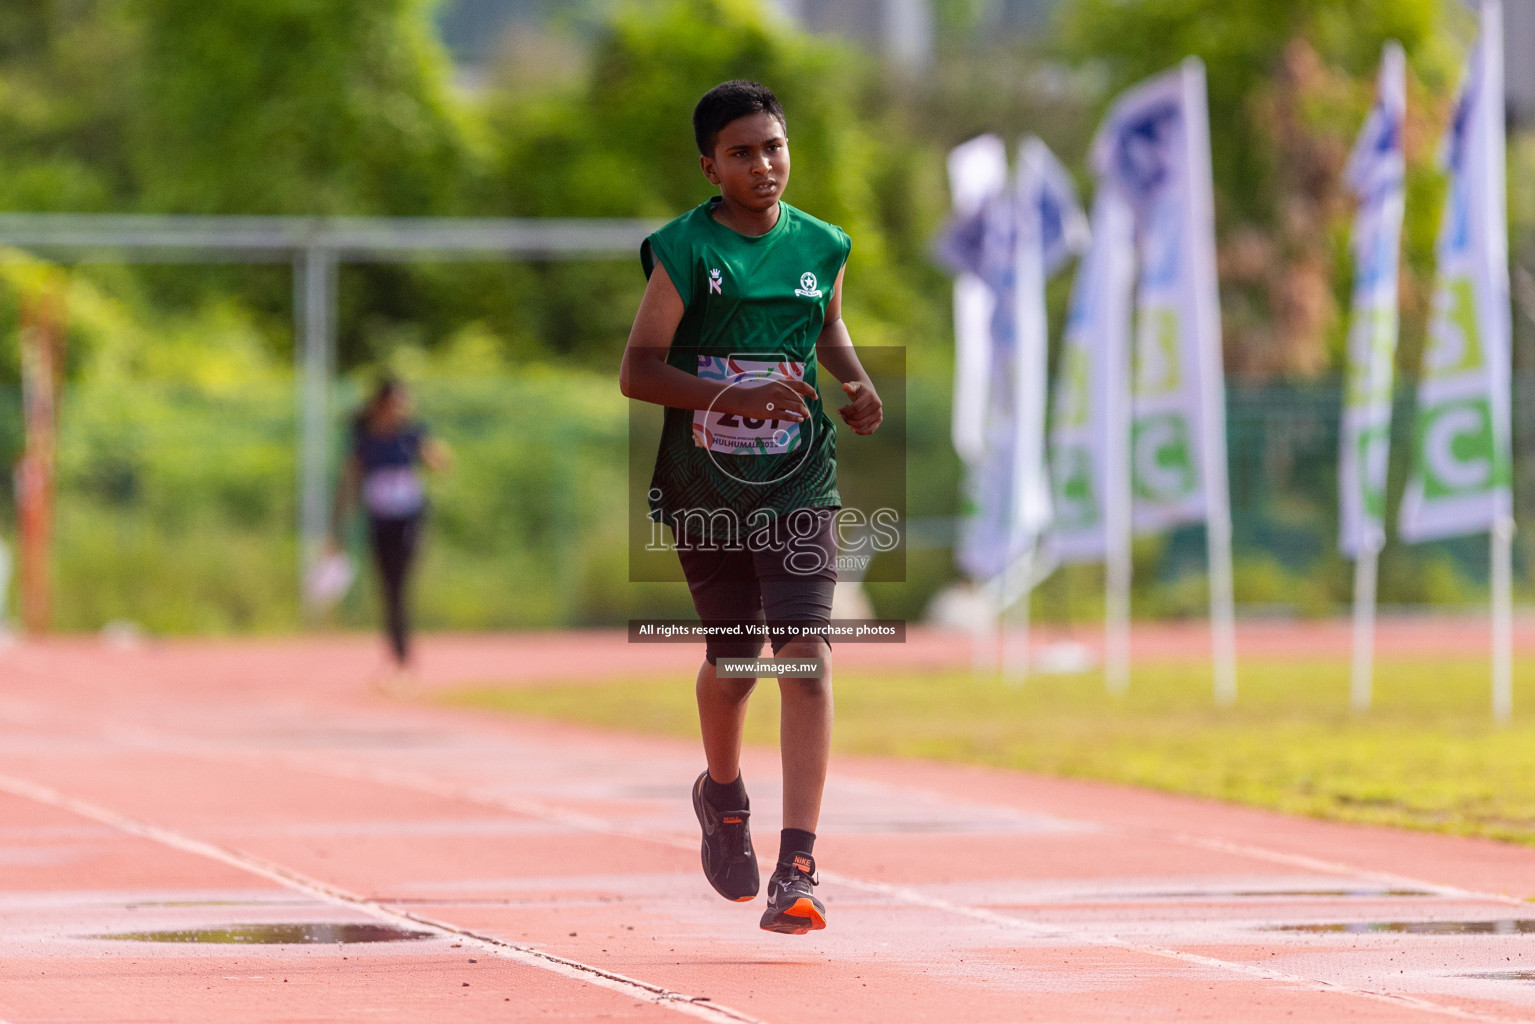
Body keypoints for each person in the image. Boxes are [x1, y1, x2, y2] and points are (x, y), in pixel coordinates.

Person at [619, 80, 883, 935]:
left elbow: (825, 325)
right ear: (711, 165)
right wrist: (728, 402)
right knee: (734, 665)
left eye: (773, 146)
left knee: (803, 653)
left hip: (800, 482)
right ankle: (720, 794)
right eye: (741, 152)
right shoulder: (685, 251)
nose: (763, 165)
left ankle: (796, 866)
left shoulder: (824, 243)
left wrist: (852, 379)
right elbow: (639, 372)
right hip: (707, 489)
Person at [333, 378, 450, 686]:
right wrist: (340, 525)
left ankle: (403, 658)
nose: (403, 408)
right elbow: (350, 480)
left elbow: (442, 463)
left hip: (409, 519)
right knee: (389, 589)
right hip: (380, 520)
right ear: (383, 403)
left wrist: (430, 451)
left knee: (399, 585)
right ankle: (399, 657)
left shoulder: (412, 434)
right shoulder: (365, 437)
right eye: (398, 402)